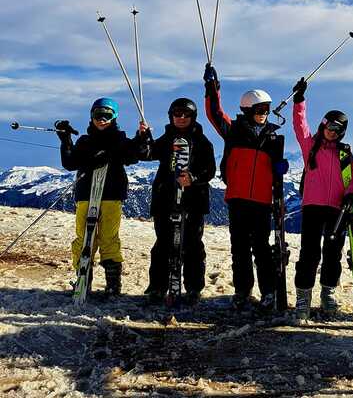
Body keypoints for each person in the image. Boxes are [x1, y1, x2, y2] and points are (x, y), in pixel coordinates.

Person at [204, 64, 288, 311]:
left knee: (262, 249)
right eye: (259, 109)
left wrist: (279, 169)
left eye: (266, 109)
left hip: (262, 200)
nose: (264, 113)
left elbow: (276, 171)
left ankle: (268, 292)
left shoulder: (273, 138)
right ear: (247, 110)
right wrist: (212, 87)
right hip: (238, 198)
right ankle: (242, 291)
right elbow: (214, 113)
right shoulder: (234, 131)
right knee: (239, 248)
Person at [56, 97, 146, 297]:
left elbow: (132, 156)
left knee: (108, 238)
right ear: (92, 116)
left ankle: (113, 284)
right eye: (98, 115)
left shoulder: (120, 139)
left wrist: (141, 138)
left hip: (111, 195)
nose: (102, 119)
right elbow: (70, 163)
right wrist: (66, 141)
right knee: (84, 238)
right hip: (86, 194)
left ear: (114, 117)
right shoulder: (85, 141)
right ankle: (83, 279)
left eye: (107, 115)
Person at [290, 77, 353, 318]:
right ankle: (303, 296)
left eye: (337, 129)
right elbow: (300, 125)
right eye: (329, 126)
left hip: (335, 210)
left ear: (342, 132)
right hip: (312, 207)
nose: (332, 131)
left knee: (333, 252)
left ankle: (328, 292)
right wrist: (300, 99)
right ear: (323, 125)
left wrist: (350, 196)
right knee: (309, 253)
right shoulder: (311, 146)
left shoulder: (344, 154)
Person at [141, 98, 216, 306]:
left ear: (193, 117)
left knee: (192, 246)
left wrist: (193, 178)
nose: (181, 118)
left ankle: (193, 288)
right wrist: (143, 137)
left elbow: (210, 170)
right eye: (177, 114)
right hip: (165, 200)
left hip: (193, 202)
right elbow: (145, 154)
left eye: (186, 114)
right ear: (171, 116)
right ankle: (157, 287)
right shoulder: (165, 140)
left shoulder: (202, 142)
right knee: (162, 246)